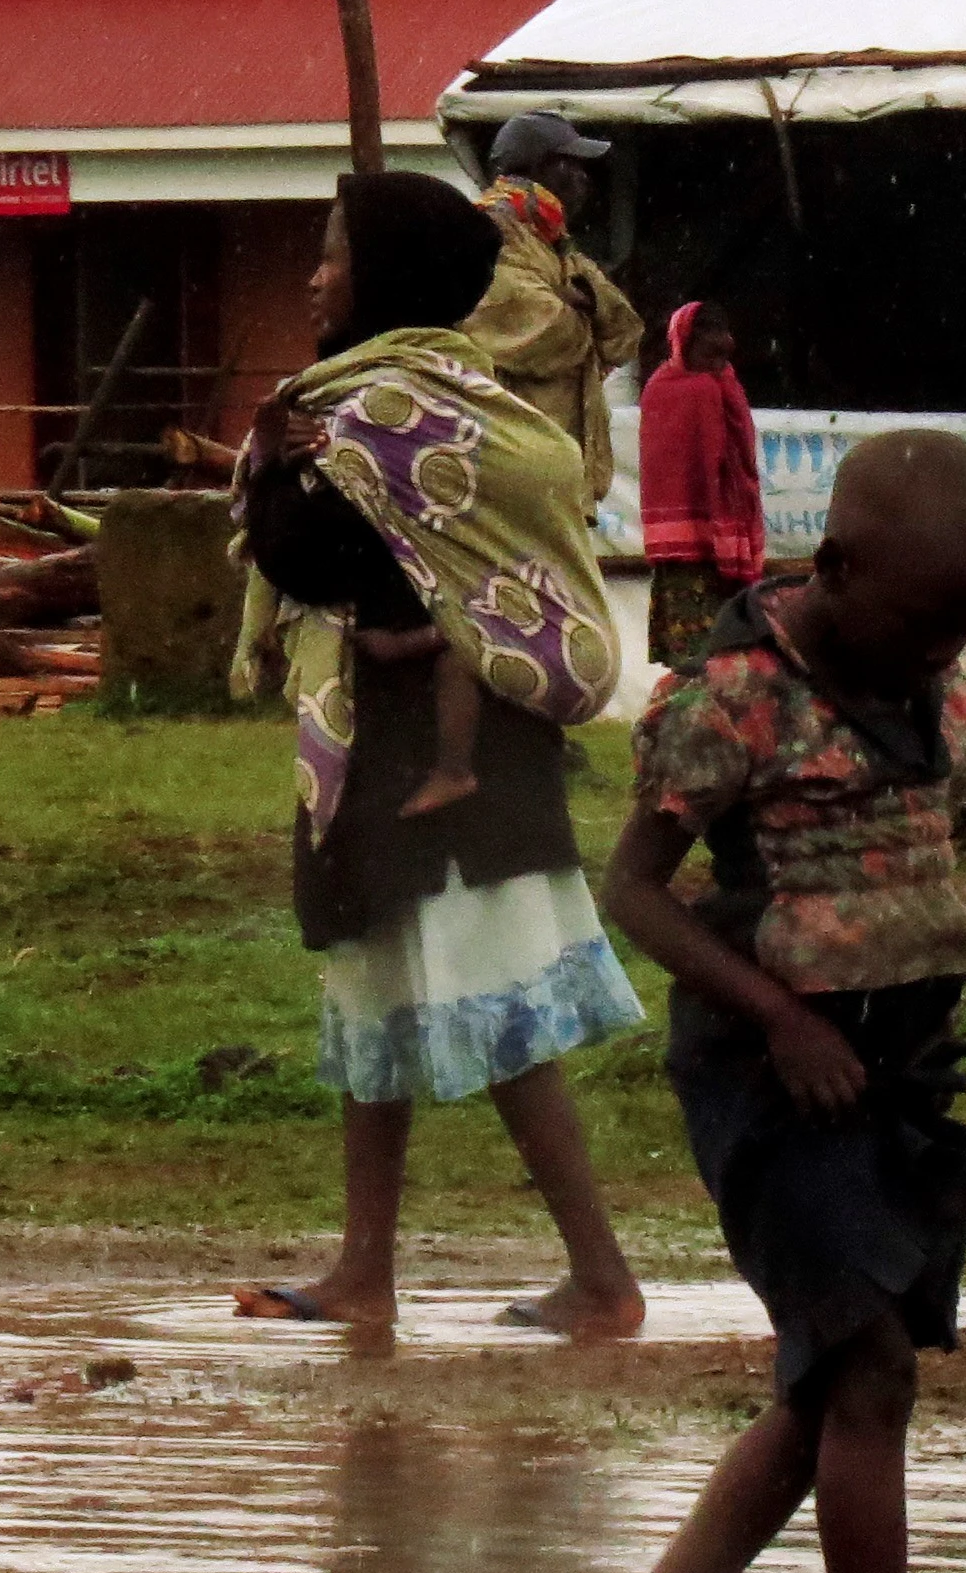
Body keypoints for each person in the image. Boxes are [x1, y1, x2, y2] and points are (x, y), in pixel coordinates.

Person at [560, 430, 966, 1573]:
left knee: (830, 1383)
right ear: (837, 567)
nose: (944, 653)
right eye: (929, 622)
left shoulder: (919, 669)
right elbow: (635, 893)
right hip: (774, 1081)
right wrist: (779, 1017)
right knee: (867, 1374)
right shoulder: (731, 698)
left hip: (891, 1074)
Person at [227, 170, 650, 1341]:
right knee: (374, 1009)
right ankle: (365, 1268)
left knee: (497, 1019)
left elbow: (313, 553)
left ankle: (604, 1280)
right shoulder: (364, 402)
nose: (312, 275)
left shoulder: (407, 411)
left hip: (452, 757)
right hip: (378, 746)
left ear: (388, 274)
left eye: (330, 253)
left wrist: (277, 470)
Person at [465, 111, 646, 523]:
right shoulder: (491, 233)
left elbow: (625, 332)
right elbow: (540, 334)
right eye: (570, 163)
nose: (584, 178)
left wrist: (584, 305)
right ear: (534, 166)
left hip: (556, 482)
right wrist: (582, 319)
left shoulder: (553, 242)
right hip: (515, 474)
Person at [641, 299, 766, 674]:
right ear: (684, 344)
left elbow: (737, 463)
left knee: (720, 651)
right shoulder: (669, 390)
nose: (716, 364)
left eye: (721, 356)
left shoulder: (725, 386)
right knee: (699, 655)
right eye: (707, 353)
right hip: (686, 548)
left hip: (718, 542)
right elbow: (672, 469)